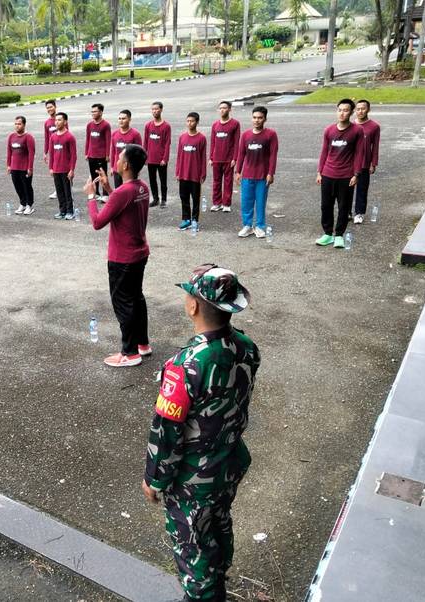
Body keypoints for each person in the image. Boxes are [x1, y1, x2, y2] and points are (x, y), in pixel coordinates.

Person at [142, 264, 260, 602]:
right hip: (229, 462)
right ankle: (218, 579)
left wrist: (154, 479)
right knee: (218, 523)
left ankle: (204, 594)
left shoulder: (186, 365)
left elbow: (166, 432)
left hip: (194, 477)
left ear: (193, 305)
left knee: (193, 546)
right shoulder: (246, 347)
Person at [84, 144, 152, 367]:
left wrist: (91, 196)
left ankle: (129, 353)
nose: (116, 160)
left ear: (125, 165)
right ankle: (142, 344)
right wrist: (108, 187)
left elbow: (97, 222)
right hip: (139, 253)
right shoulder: (141, 187)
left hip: (122, 257)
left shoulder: (124, 192)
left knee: (123, 303)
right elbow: (122, 205)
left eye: (120, 157)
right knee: (136, 299)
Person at [315, 99, 364, 248]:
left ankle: (339, 235)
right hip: (328, 174)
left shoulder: (357, 131)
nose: (342, 113)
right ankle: (327, 234)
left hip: (346, 176)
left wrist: (356, 174)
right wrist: (319, 172)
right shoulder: (329, 130)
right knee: (326, 206)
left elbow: (359, 154)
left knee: (344, 207)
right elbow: (324, 152)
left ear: (351, 112)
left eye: (346, 110)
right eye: (340, 110)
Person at [235, 106, 278, 240]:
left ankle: (259, 226)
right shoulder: (245, 135)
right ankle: (247, 226)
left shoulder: (271, 135)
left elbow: (273, 155)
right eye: (254, 117)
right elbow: (241, 154)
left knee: (260, 202)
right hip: (247, 175)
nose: (257, 120)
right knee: (246, 202)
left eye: (260, 118)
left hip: (262, 176)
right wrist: (238, 171)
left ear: (265, 119)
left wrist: (271, 173)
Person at [175, 112, 207, 231]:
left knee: (195, 199)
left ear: (197, 122)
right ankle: (186, 219)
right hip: (183, 174)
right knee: (184, 197)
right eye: (188, 121)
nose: (189, 123)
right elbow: (179, 156)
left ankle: (194, 220)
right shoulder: (182, 137)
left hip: (195, 175)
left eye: (192, 121)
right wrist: (178, 172)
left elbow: (203, 157)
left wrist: (203, 173)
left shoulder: (201, 138)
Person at [209, 101, 240, 213]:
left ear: (230, 109)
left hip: (228, 159)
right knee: (216, 181)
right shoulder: (215, 125)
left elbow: (237, 142)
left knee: (228, 182)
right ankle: (217, 203)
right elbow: (212, 142)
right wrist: (211, 157)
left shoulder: (235, 124)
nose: (222, 110)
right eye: (220, 108)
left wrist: (235, 158)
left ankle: (226, 203)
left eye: (225, 108)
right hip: (216, 158)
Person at [353, 99, 380, 224]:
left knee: (362, 189)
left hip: (364, 162)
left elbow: (375, 146)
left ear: (368, 109)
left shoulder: (374, 126)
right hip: (350, 162)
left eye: (363, 108)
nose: (360, 111)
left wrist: (373, 163)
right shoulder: (351, 125)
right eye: (358, 109)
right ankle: (347, 212)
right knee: (346, 189)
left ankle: (359, 213)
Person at [48, 111, 77, 220]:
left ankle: (70, 211)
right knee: (59, 192)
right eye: (56, 120)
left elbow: (73, 155)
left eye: (59, 120)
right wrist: (51, 168)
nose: (57, 122)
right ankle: (62, 211)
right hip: (56, 170)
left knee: (67, 192)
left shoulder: (70, 137)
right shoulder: (53, 137)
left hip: (66, 170)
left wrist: (72, 169)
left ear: (65, 122)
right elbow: (51, 154)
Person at [143, 101, 172, 207]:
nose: (154, 111)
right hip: (150, 159)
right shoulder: (148, 125)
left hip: (161, 160)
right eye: (153, 109)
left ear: (161, 110)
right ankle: (155, 199)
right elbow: (145, 142)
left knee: (163, 181)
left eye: (156, 109)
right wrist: (144, 157)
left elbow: (167, 143)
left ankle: (164, 200)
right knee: (152, 180)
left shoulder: (166, 126)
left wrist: (165, 159)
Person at [6, 115, 36, 215]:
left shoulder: (28, 137)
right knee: (17, 186)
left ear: (24, 125)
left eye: (19, 124)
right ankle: (22, 203)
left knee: (27, 187)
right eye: (15, 124)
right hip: (14, 167)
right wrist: (9, 165)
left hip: (24, 168)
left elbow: (31, 153)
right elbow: (9, 152)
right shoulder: (11, 136)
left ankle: (29, 205)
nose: (17, 126)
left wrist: (30, 167)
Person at [110, 110, 143, 189]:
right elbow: (113, 151)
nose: (121, 121)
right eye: (119, 118)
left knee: (130, 190)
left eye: (123, 118)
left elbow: (139, 154)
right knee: (118, 190)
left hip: (130, 170)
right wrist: (112, 167)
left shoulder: (135, 134)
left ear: (129, 119)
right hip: (117, 169)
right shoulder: (114, 134)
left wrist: (137, 169)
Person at [85, 103, 111, 200]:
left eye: (95, 111)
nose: (93, 113)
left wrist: (107, 155)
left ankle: (105, 194)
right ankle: (96, 193)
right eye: (92, 112)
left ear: (101, 112)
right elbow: (88, 140)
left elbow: (108, 141)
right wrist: (86, 153)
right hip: (91, 155)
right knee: (93, 175)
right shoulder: (89, 125)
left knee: (102, 175)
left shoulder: (106, 125)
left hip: (101, 156)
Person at [43, 99, 67, 200]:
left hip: (62, 149)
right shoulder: (47, 123)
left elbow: (67, 134)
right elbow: (46, 138)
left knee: (64, 169)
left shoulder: (61, 119)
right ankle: (58, 190)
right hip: (53, 150)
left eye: (51, 107)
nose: (49, 109)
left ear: (55, 107)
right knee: (54, 169)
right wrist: (45, 152)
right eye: (47, 108)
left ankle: (67, 189)